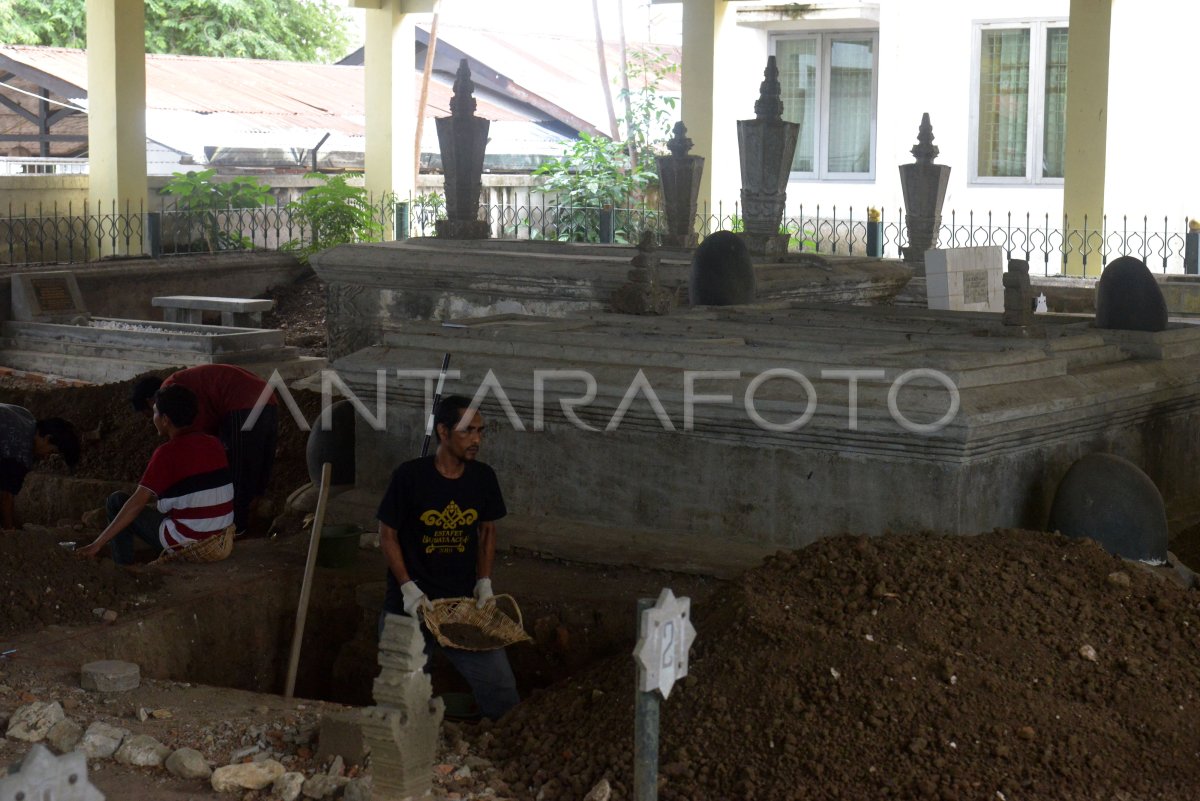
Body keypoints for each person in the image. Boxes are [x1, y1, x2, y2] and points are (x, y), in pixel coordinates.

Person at [376, 395, 519, 721]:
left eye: (481, 432)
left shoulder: (483, 478)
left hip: (462, 608)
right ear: (443, 431)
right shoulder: (409, 477)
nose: (477, 440)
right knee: (398, 700)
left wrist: (484, 582)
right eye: (468, 431)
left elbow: (486, 531)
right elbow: (387, 534)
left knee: (502, 692)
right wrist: (407, 588)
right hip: (408, 608)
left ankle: (493, 754)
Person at [80, 384, 234, 564]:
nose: (153, 418)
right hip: (220, 537)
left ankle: (122, 567)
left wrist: (97, 544)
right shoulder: (214, 443)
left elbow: (136, 504)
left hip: (190, 541)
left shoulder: (167, 453)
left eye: (155, 412)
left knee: (117, 502)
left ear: (165, 419)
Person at [130, 365, 276, 534]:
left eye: (151, 415)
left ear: (151, 402)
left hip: (241, 402)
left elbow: (194, 440)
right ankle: (253, 516)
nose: (155, 421)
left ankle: (236, 530)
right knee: (258, 462)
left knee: (235, 471)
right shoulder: (183, 382)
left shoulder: (171, 395)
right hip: (266, 395)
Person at [0, 404, 80, 530]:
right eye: (51, 452)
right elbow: (6, 496)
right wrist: (9, 529)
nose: (47, 457)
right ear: (47, 438)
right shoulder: (21, 452)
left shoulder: (25, 415)